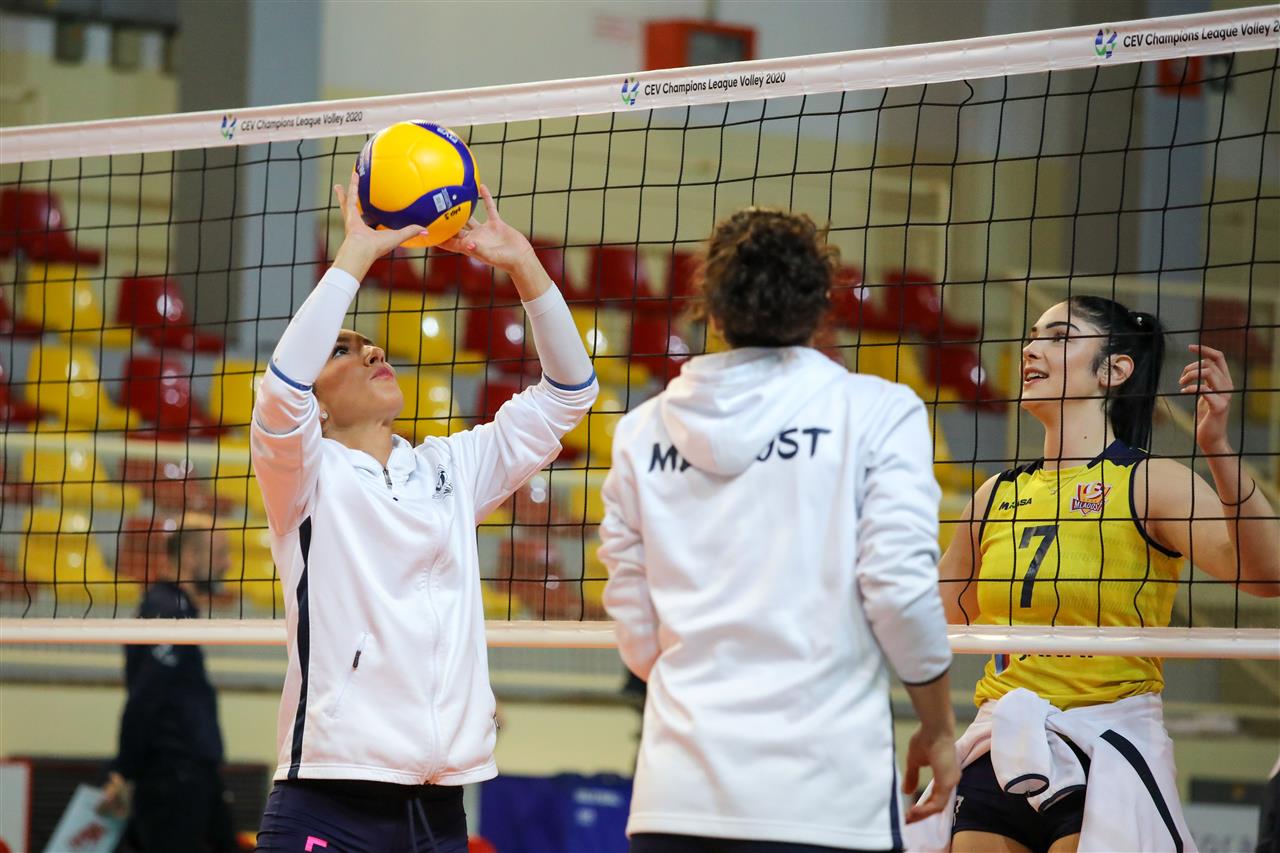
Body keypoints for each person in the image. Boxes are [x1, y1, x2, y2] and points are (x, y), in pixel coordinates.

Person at [250, 173, 597, 852]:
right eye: (344, 349)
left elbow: (570, 393)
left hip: (439, 811)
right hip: (330, 794)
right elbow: (281, 389)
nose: (374, 350)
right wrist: (357, 253)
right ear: (318, 404)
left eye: (369, 343)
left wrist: (523, 264)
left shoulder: (451, 467)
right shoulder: (303, 473)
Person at [600, 207, 959, 853]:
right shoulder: (879, 411)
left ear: (712, 311)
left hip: (677, 795)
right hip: (825, 795)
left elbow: (633, 615)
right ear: (822, 306)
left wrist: (706, 689)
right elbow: (899, 592)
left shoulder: (640, 431)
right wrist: (938, 724)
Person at [930, 296, 1280, 853]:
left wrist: (1217, 448)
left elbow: (1267, 574)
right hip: (1003, 737)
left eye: (1059, 336)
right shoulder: (996, 494)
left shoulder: (1149, 481)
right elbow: (940, 617)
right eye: (1032, 335)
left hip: (1107, 742)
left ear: (1114, 370)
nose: (1031, 348)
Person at [100, 521, 236, 853]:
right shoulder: (166, 609)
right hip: (172, 777)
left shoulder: (178, 608)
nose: (229, 564)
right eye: (220, 553)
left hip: (192, 773)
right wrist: (123, 770)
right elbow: (146, 694)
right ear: (190, 556)